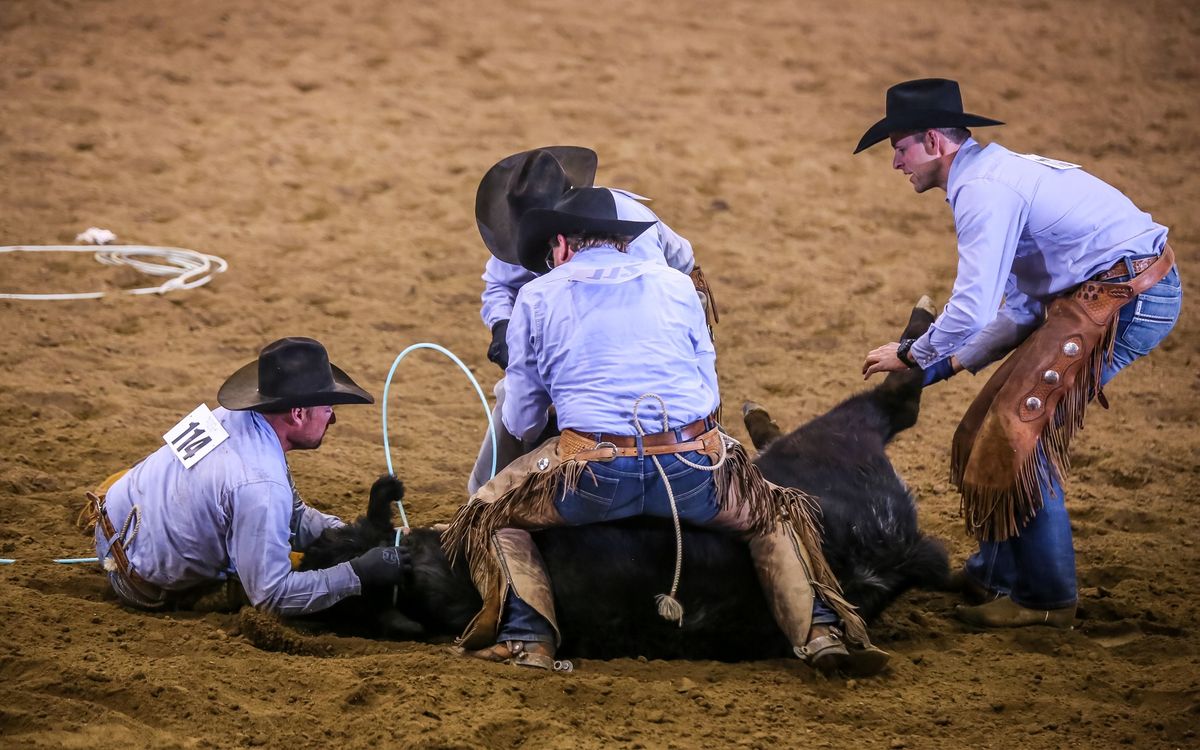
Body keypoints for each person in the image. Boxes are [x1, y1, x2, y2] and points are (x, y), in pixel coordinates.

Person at [443, 187, 889, 675]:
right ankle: (820, 632)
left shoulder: (536, 294)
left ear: (563, 245)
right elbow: (708, 393)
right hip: (694, 468)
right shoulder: (677, 287)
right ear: (618, 239)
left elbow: (523, 418)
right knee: (773, 512)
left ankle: (529, 640)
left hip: (591, 476)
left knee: (487, 515)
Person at [857, 78, 1181, 628]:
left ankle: (1045, 599)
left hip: (1123, 299)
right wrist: (945, 364)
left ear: (934, 142)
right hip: (1104, 294)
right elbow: (1018, 308)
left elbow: (974, 310)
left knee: (1017, 435)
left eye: (900, 146)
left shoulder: (984, 191)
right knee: (988, 427)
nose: (895, 162)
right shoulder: (992, 178)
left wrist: (915, 354)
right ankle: (996, 574)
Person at [85, 337, 411, 614]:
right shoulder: (260, 484)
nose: (333, 418)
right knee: (293, 582)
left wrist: (349, 533)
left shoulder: (232, 416)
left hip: (113, 514)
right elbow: (272, 594)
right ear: (298, 414)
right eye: (328, 408)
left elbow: (292, 514)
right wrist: (358, 573)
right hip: (133, 576)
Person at [469, 146, 706, 494]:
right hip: (576, 328)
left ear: (559, 239)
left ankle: (487, 496)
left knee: (515, 398)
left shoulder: (630, 224)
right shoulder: (534, 235)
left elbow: (681, 262)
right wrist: (503, 324)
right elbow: (499, 285)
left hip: (626, 328)